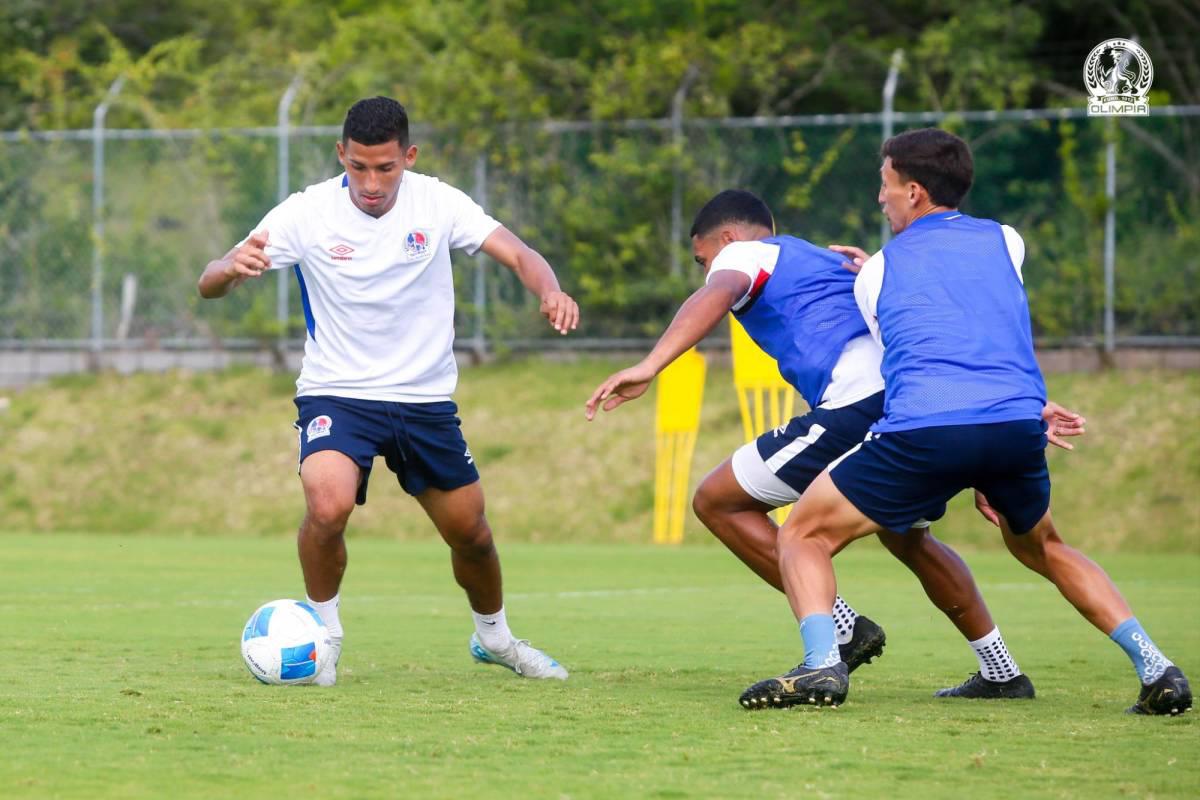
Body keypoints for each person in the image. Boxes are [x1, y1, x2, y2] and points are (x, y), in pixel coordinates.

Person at [742, 128, 1191, 715]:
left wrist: (871, 272)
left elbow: (908, 357)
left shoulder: (877, 273)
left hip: (926, 429)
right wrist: (998, 441)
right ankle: (1157, 668)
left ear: (914, 191)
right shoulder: (1007, 239)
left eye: (886, 184)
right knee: (1045, 546)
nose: (880, 197)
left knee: (802, 533)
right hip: (1016, 422)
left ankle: (822, 664)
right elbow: (979, 324)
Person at [585, 189, 1082, 702]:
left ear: (727, 238)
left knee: (718, 501)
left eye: (701, 258)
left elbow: (718, 291)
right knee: (908, 538)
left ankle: (841, 632)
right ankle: (1001, 671)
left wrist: (651, 364)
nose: (706, 270)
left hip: (855, 403)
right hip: (913, 404)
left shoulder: (744, 254)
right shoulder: (833, 261)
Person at [198, 96, 577, 685]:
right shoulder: (306, 213)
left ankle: (495, 639)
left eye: (385, 168)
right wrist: (228, 269)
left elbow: (519, 253)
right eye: (358, 167)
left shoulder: (439, 203)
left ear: (409, 157)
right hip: (337, 391)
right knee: (327, 505)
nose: (371, 183)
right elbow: (210, 281)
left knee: (471, 534)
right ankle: (325, 640)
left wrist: (549, 289)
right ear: (340, 155)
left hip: (424, 400)